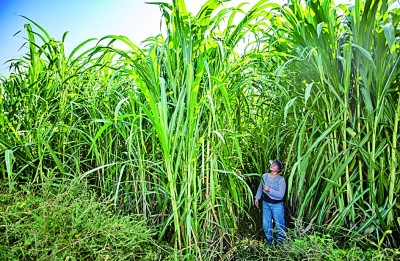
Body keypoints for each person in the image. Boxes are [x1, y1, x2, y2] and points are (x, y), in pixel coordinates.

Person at [254, 160, 286, 244]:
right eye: (272, 164)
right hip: (266, 203)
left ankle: (281, 243)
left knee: (279, 224)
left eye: (275, 165)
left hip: (277, 205)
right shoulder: (265, 176)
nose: (272, 165)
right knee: (266, 224)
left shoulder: (281, 180)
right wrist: (257, 198)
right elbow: (260, 187)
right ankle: (270, 242)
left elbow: (281, 195)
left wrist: (269, 190)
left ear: (278, 169)